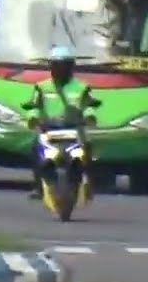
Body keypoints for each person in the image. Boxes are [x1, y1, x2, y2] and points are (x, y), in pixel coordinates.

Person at [25, 46, 101, 199]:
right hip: (49, 128)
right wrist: (33, 118)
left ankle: (89, 186)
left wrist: (89, 117)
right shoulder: (41, 87)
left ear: (71, 67)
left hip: (74, 127)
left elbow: (89, 105)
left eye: (64, 65)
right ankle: (39, 187)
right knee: (35, 148)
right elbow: (33, 106)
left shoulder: (82, 87)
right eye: (56, 65)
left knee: (88, 150)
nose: (59, 69)